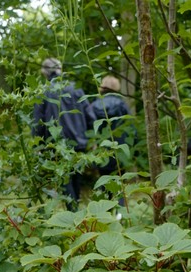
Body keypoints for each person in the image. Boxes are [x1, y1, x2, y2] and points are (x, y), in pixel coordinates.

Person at [32, 58, 94, 209]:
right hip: (79, 142)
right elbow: (90, 116)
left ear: (44, 72)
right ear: (61, 69)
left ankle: (73, 216)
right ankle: (76, 214)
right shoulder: (76, 89)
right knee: (76, 179)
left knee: (65, 181)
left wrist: (38, 145)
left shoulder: (44, 91)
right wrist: (92, 140)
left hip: (57, 144)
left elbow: (38, 121)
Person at [90, 75, 136, 205]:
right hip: (120, 150)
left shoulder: (93, 105)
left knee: (104, 180)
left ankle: (105, 210)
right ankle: (120, 212)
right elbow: (131, 128)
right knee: (119, 181)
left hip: (101, 151)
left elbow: (90, 128)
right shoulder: (122, 105)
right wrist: (132, 147)